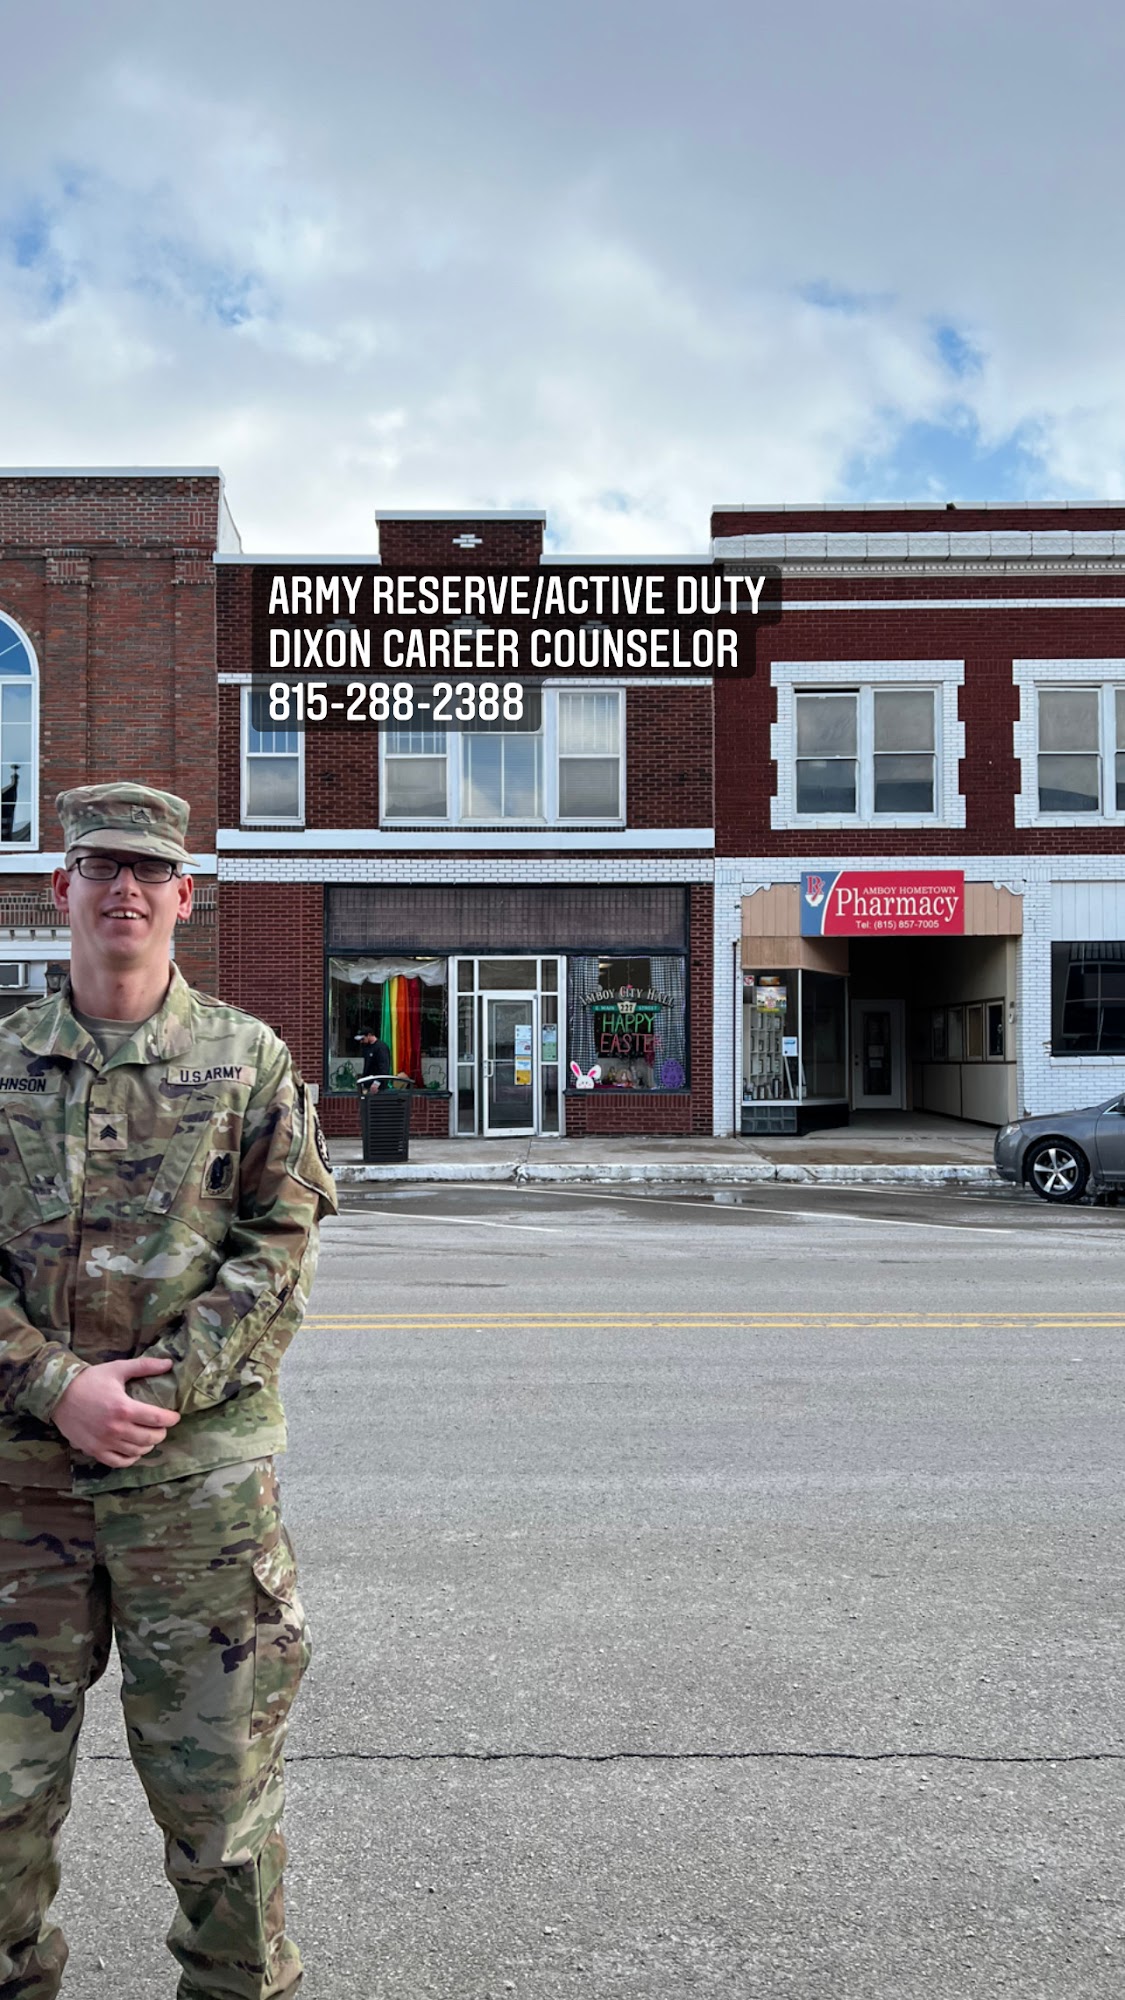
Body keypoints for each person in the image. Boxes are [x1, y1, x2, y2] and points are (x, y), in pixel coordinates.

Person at [0, 783, 337, 2000]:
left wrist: (159, 1390)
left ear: (186, 896)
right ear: (62, 887)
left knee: (222, 1811)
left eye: (150, 870)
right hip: (19, 1495)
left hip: (197, 1496)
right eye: (101, 866)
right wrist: (55, 1385)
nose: (125, 889)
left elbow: (282, 1243)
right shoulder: (3, 1062)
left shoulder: (249, 1061)